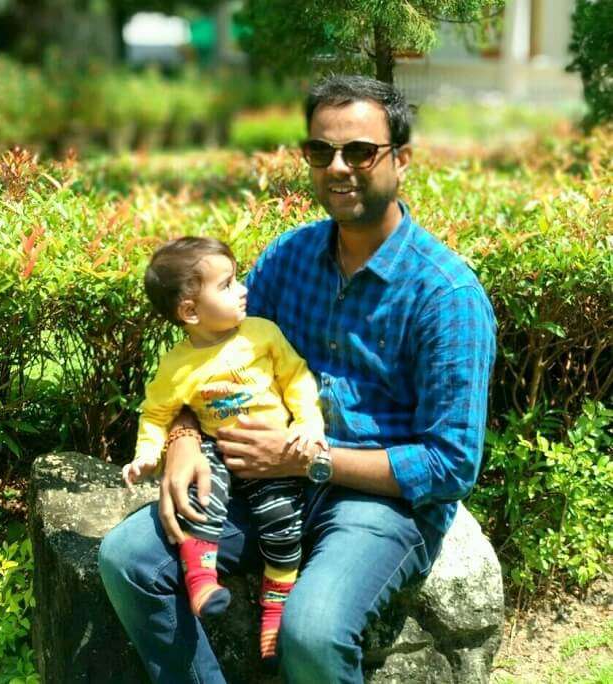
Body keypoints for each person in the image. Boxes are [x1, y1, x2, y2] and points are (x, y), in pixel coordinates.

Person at [99, 74, 497, 683]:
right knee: (127, 558)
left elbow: (450, 465)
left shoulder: (446, 295)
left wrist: (307, 463)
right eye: (320, 151)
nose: (338, 167)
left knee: (310, 633)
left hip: (377, 503)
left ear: (402, 159)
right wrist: (181, 438)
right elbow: (211, 354)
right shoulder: (289, 258)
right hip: (257, 480)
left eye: (360, 151)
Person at [122, 236, 326, 661]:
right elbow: (157, 413)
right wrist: (148, 454)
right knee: (200, 494)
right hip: (221, 451)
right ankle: (201, 580)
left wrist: (309, 425)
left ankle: (276, 607)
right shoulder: (177, 365)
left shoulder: (261, 335)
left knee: (283, 520)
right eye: (228, 285)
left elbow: (297, 379)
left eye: (237, 279)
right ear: (190, 312)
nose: (243, 290)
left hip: (277, 456)